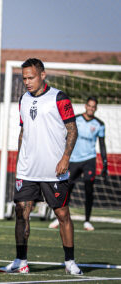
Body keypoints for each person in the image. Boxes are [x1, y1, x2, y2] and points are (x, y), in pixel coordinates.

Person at [0, 58, 83, 275]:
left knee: (62, 214)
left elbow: (72, 130)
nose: (27, 82)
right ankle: (20, 261)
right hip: (27, 170)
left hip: (53, 170)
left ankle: (70, 261)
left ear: (42, 75)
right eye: (24, 78)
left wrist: (65, 157)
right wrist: (20, 161)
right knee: (21, 212)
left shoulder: (59, 97)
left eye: (31, 77)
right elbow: (23, 131)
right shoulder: (23, 100)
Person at [49, 96, 108, 231]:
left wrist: (105, 163)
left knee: (89, 189)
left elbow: (102, 145)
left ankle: (87, 220)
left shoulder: (99, 124)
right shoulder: (76, 120)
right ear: (85, 106)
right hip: (74, 160)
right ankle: (60, 218)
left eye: (94, 107)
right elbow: (66, 137)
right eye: (89, 106)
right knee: (67, 189)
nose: (91, 108)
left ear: (96, 108)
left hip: (89, 160)